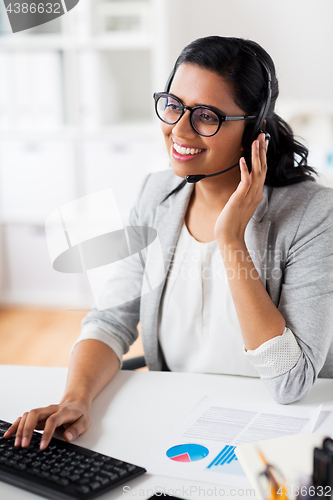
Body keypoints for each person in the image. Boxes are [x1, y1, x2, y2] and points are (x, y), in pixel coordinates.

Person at [5, 36, 333, 451]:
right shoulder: (157, 194)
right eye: (174, 105)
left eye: (206, 116)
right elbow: (111, 319)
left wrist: (230, 238)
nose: (178, 129)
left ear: (254, 129)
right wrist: (77, 399)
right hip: (180, 417)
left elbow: (291, 383)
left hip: (280, 431)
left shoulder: (313, 214)